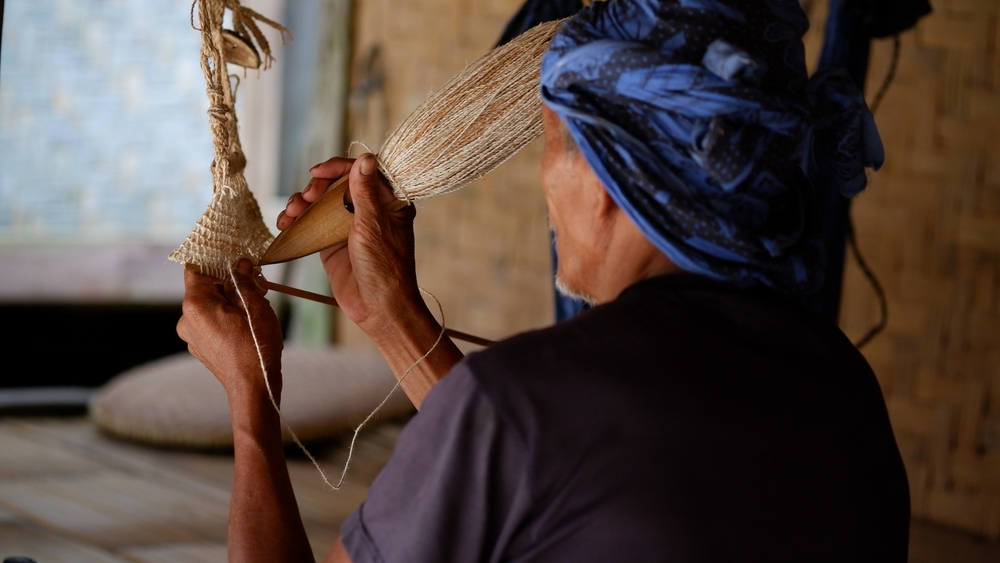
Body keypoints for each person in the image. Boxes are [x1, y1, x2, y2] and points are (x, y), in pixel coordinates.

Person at [177, 0, 910, 561]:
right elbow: (549, 468)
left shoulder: (524, 403)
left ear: (608, 181)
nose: (542, 178)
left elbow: (525, 439)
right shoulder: (841, 381)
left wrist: (250, 395)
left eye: (555, 142)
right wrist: (389, 314)